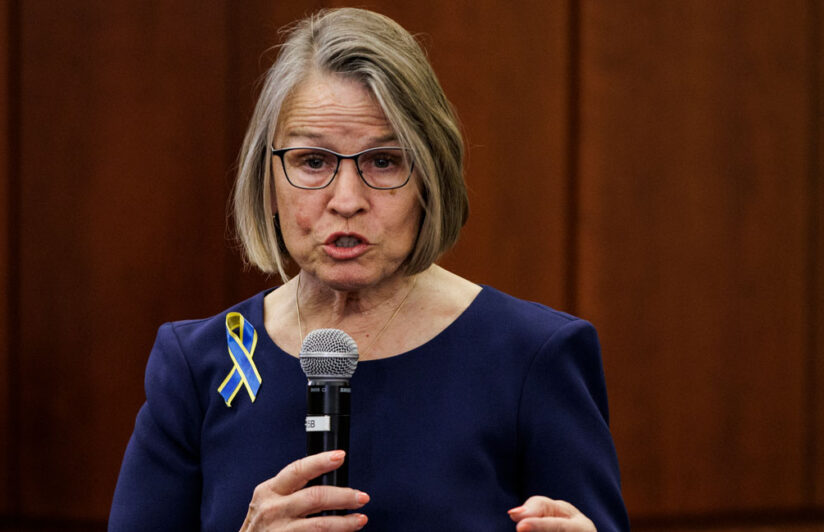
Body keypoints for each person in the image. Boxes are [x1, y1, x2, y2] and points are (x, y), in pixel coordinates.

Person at [109, 8, 629, 532]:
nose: (347, 200)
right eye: (313, 161)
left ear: (429, 178)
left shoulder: (533, 357)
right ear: (267, 178)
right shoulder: (198, 366)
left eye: (383, 161)